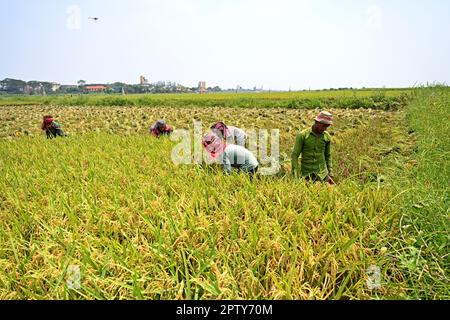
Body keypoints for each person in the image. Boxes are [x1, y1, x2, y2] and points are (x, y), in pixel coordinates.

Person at [291, 111, 335, 185]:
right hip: (306, 173)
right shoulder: (303, 135)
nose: (325, 129)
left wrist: (330, 173)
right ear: (317, 122)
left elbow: (328, 156)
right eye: (324, 126)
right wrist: (296, 175)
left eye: (327, 126)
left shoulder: (326, 137)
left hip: (322, 174)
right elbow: (295, 155)